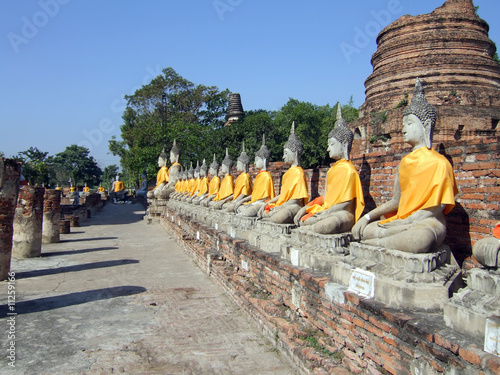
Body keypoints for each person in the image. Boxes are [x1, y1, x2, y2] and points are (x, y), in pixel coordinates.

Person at [351, 78, 458, 253]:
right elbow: (396, 201)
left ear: (426, 125)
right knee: (367, 229)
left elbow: (436, 208)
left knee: (419, 240)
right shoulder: (404, 163)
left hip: (427, 223)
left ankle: (377, 245)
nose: (403, 129)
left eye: (409, 124)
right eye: (403, 124)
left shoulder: (440, 163)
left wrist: (404, 223)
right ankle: (383, 240)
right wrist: (368, 217)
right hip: (402, 221)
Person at [294, 104, 364, 234]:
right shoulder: (332, 170)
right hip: (328, 210)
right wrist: (307, 208)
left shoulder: (349, 170)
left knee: (328, 224)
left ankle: (310, 229)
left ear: (344, 144)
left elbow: (346, 203)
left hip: (342, 214)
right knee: (306, 219)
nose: (328, 149)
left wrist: (326, 213)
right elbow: (326, 198)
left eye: (331, 144)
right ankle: (311, 227)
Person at [258, 122, 309, 224]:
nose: (283, 157)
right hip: (284, 204)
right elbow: (282, 196)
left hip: (294, 206)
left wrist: (279, 207)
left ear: (294, 153)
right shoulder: (287, 174)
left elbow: (296, 200)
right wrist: (267, 203)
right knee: (267, 213)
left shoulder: (299, 172)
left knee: (277, 218)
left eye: (286, 153)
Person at [237, 135, 275, 216]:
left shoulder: (266, 176)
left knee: (247, 212)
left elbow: (265, 198)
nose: (254, 163)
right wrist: (240, 201)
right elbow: (254, 195)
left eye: (256, 160)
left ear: (264, 160)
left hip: (261, 203)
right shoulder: (259, 176)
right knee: (239, 208)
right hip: (254, 202)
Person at [225, 142, 253, 212]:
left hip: (244, 200)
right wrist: (226, 200)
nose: (237, 166)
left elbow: (244, 194)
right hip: (237, 200)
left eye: (238, 164)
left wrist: (236, 201)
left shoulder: (246, 177)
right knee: (225, 206)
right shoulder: (240, 177)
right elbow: (235, 194)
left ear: (244, 165)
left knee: (230, 207)